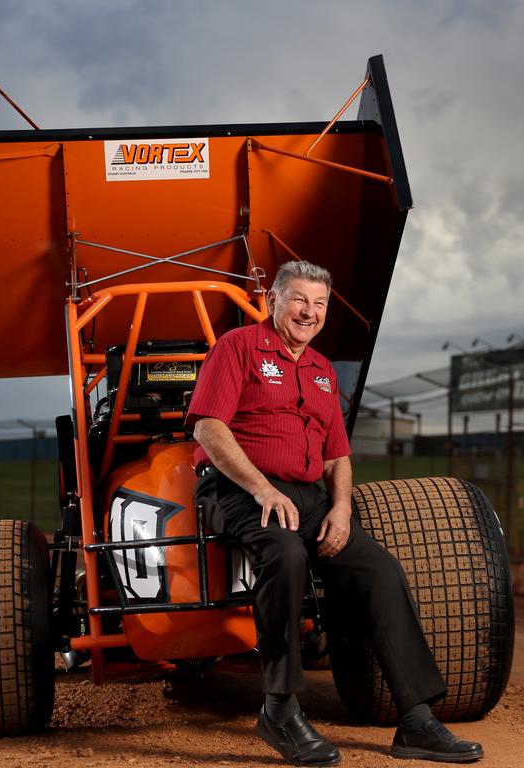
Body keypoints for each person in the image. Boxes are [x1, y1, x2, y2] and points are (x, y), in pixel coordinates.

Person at [187, 260, 484, 765]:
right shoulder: (236, 348)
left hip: (309, 496)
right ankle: (279, 708)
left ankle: (415, 720)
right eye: (300, 299)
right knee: (285, 555)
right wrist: (261, 490)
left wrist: (342, 508)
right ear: (273, 301)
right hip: (239, 489)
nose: (310, 312)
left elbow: (337, 455)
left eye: (320, 303)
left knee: (380, 570)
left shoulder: (323, 371)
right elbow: (208, 428)